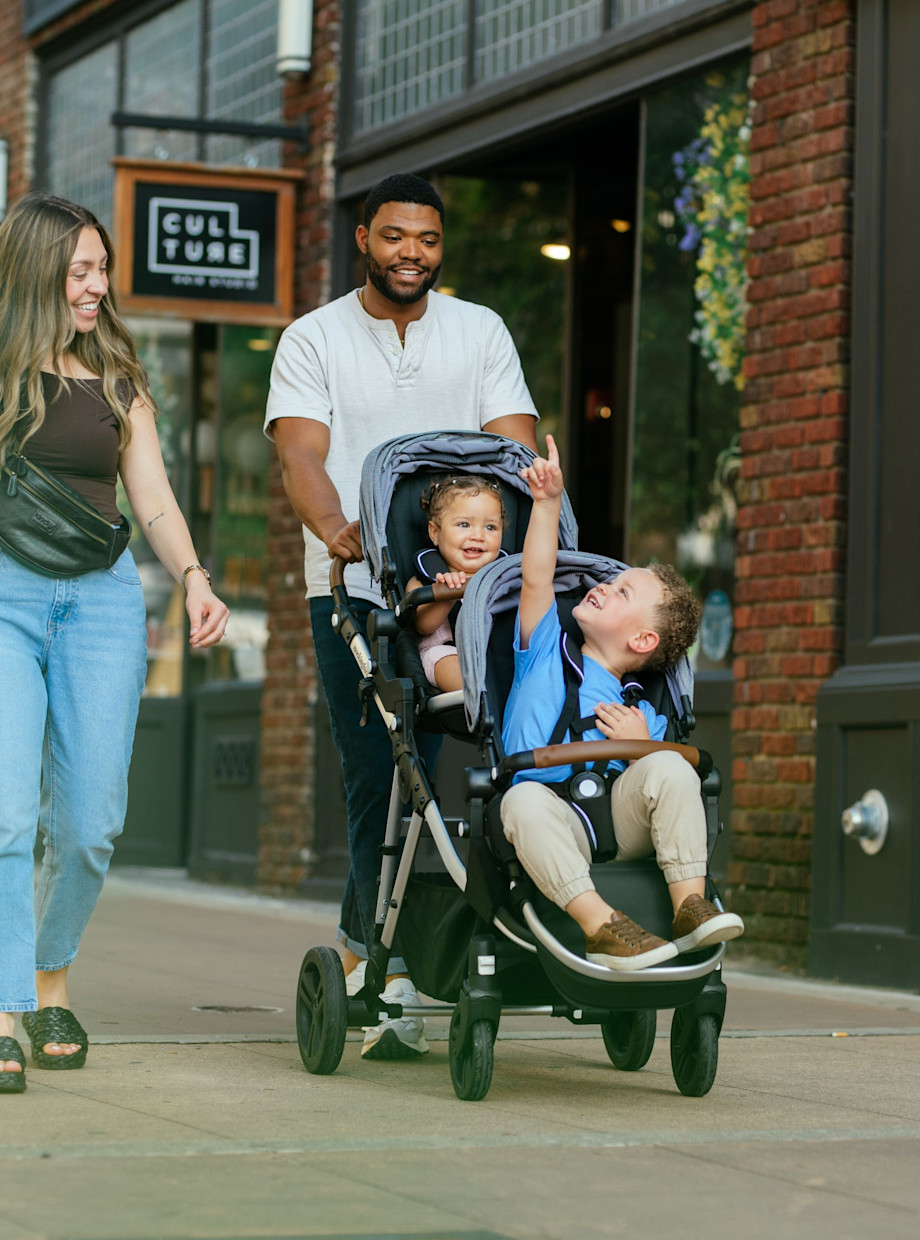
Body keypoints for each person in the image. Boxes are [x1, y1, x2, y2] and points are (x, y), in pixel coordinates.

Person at [0, 194, 228, 1093]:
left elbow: (152, 498)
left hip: (101, 600)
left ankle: (53, 981)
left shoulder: (116, 376)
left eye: (101, 271)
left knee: (91, 825)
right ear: (35, 271)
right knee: (2, 811)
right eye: (81, 270)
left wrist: (195, 575)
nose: (96, 287)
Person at [265, 172, 539, 1059]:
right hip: (356, 594)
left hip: (474, 592)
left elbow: (514, 444)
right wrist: (335, 525)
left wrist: (526, 533)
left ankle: (384, 947)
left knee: (511, 755)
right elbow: (302, 454)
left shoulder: (480, 331)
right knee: (383, 775)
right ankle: (389, 962)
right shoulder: (314, 339)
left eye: (425, 239)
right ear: (363, 240)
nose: (410, 253)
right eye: (393, 237)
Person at [500, 435, 744, 970]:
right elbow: (537, 575)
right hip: (551, 811)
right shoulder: (545, 646)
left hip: (618, 817)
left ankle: (691, 905)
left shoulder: (643, 710)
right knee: (518, 804)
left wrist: (644, 745)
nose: (604, 587)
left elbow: (666, 782)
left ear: (641, 643)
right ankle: (602, 926)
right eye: (611, 582)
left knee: (671, 767)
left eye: (622, 593)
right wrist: (546, 502)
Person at [406, 475, 507, 692]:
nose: (478, 535)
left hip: (496, 654)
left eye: (490, 527)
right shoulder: (426, 576)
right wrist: (447, 594)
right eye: (464, 524)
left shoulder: (505, 576)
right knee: (443, 659)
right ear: (435, 532)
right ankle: (479, 698)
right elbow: (422, 625)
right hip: (448, 653)